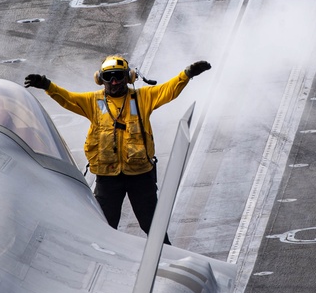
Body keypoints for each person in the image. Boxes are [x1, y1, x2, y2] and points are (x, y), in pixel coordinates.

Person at [25, 55, 211, 245]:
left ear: (128, 77)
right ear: (100, 79)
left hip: (140, 176)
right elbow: (68, 99)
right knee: (105, 228)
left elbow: (168, 90)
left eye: (119, 76)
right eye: (109, 77)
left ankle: (168, 263)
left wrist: (186, 75)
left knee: (154, 227)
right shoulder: (93, 102)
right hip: (108, 178)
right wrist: (47, 86)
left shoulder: (142, 98)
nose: (114, 82)